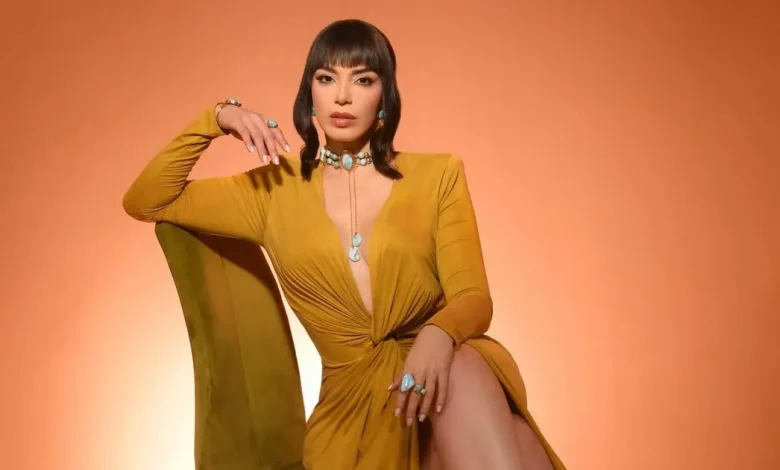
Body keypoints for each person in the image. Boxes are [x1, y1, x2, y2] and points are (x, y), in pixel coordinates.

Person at [123, 18, 566, 470]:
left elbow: (473, 297)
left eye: (363, 80)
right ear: (309, 94)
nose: (342, 96)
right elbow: (146, 199)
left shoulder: (438, 175)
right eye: (327, 78)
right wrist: (221, 116)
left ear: (385, 96)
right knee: (518, 444)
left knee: (466, 367)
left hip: (438, 383)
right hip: (353, 419)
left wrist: (437, 335)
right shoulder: (272, 191)